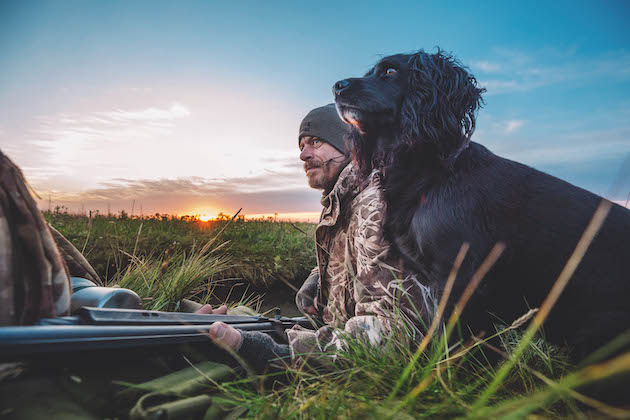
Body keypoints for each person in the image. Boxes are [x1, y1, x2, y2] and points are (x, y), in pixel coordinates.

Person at [208, 104, 435, 371]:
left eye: (316, 141)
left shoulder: (377, 206)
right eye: (302, 145)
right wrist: (322, 279)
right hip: (345, 345)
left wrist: (276, 354)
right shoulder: (341, 203)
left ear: (351, 144)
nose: (303, 154)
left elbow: (396, 337)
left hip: (400, 377)